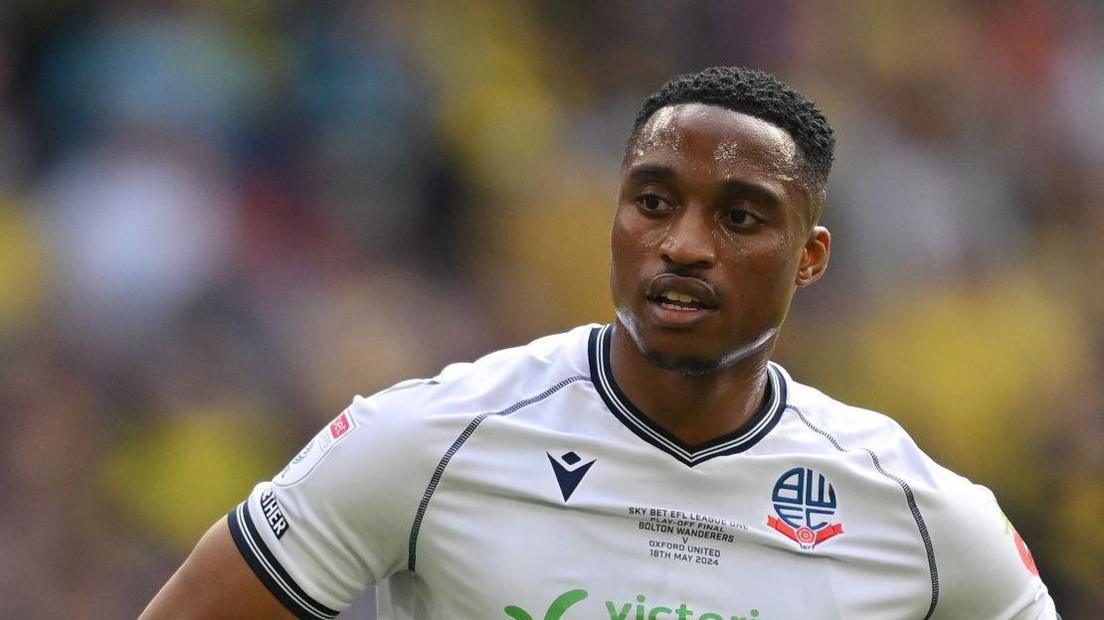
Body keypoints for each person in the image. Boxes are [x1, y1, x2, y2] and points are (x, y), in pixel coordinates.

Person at [142, 66, 1058, 619]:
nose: (684, 244)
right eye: (653, 202)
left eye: (740, 216)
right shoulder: (428, 443)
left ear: (809, 257)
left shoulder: (923, 519)